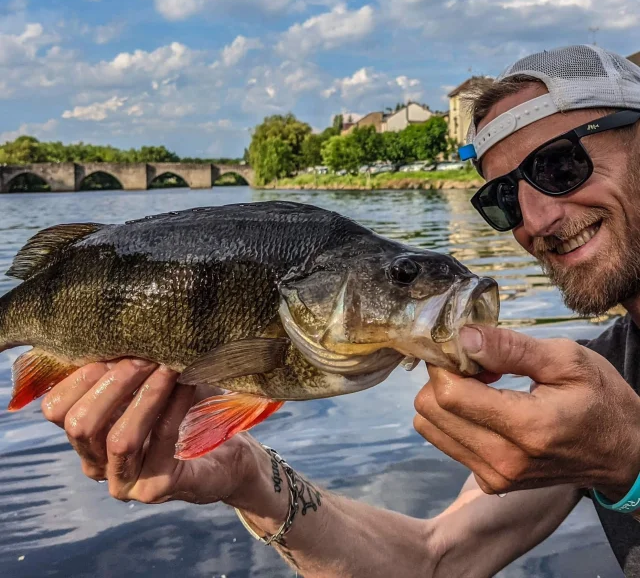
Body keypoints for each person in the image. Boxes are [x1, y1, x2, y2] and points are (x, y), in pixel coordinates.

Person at [40, 45, 640, 577]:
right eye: (503, 198)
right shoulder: (603, 377)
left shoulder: (609, 422)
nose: (535, 221)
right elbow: (436, 560)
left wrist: (627, 461)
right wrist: (247, 479)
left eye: (560, 166)